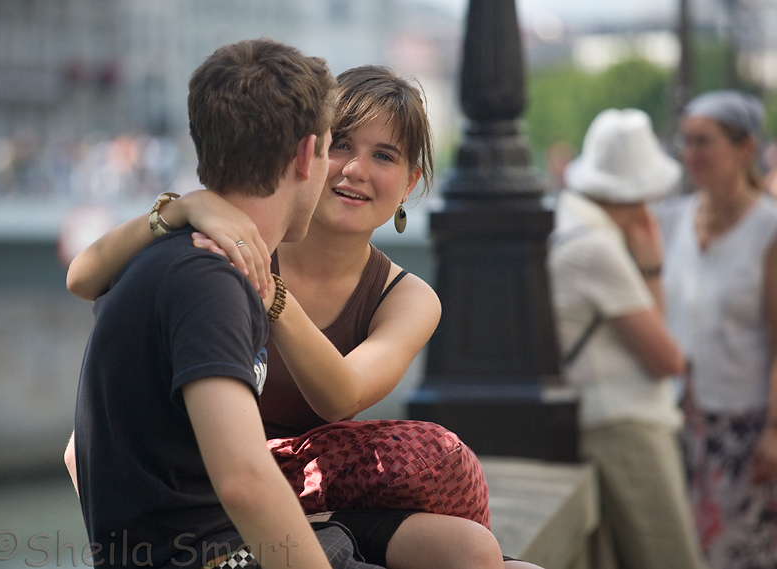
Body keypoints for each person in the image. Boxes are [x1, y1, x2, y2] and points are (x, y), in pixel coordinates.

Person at [65, 65, 540, 569]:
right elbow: (82, 277)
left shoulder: (407, 296)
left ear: (409, 184)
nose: (355, 170)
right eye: (341, 146)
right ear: (306, 154)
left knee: (478, 551)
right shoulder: (224, 241)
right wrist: (180, 209)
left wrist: (272, 296)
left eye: (383, 156)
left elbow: (341, 395)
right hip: (216, 509)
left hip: (314, 500)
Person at [70, 38, 344, 569]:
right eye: (333, 147)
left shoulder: (164, 259)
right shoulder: (210, 279)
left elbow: (75, 452)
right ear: (307, 154)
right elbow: (244, 480)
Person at [548, 108, 706, 569]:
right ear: (641, 191)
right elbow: (668, 357)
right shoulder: (595, 247)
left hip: (601, 422)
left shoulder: (570, 227)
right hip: (626, 429)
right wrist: (652, 262)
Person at [660, 90, 777, 569]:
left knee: (741, 555)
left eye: (704, 142)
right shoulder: (675, 219)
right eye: (685, 141)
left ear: (744, 147)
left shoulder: (768, 230)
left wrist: (774, 429)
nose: (690, 155)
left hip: (744, 426)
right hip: (683, 421)